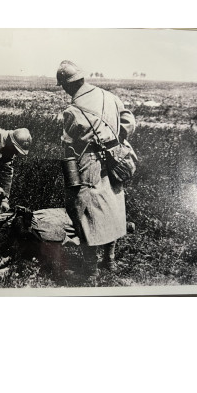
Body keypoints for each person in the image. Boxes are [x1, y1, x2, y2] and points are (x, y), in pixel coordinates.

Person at [57, 60, 136, 285]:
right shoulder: (109, 97)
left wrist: (70, 180)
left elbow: (68, 147)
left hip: (89, 168)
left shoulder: (72, 110)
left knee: (82, 213)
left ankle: (89, 272)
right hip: (115, 164)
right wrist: (114, 141)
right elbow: (129, 121)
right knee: (112, 209)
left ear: (66, 85)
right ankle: (109, 261)